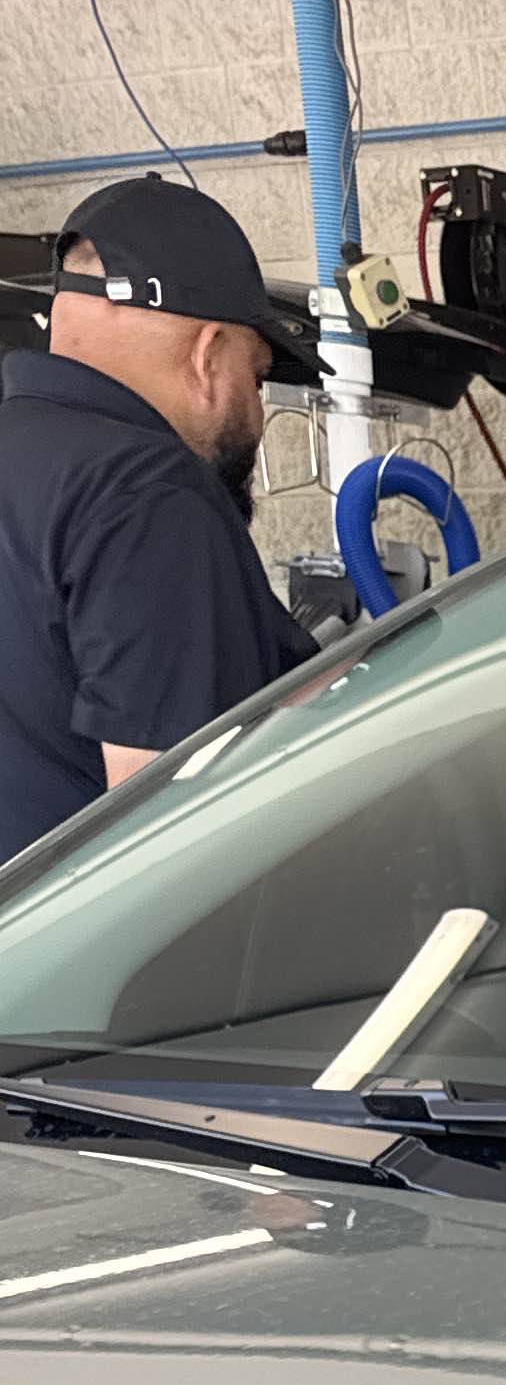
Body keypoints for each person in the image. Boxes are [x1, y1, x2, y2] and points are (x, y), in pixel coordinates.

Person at [0, 173, 319, 866]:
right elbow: (169, 834)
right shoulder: (151, 496)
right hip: (95, 931)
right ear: (208, 355)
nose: (257, 411)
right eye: (256, 376)